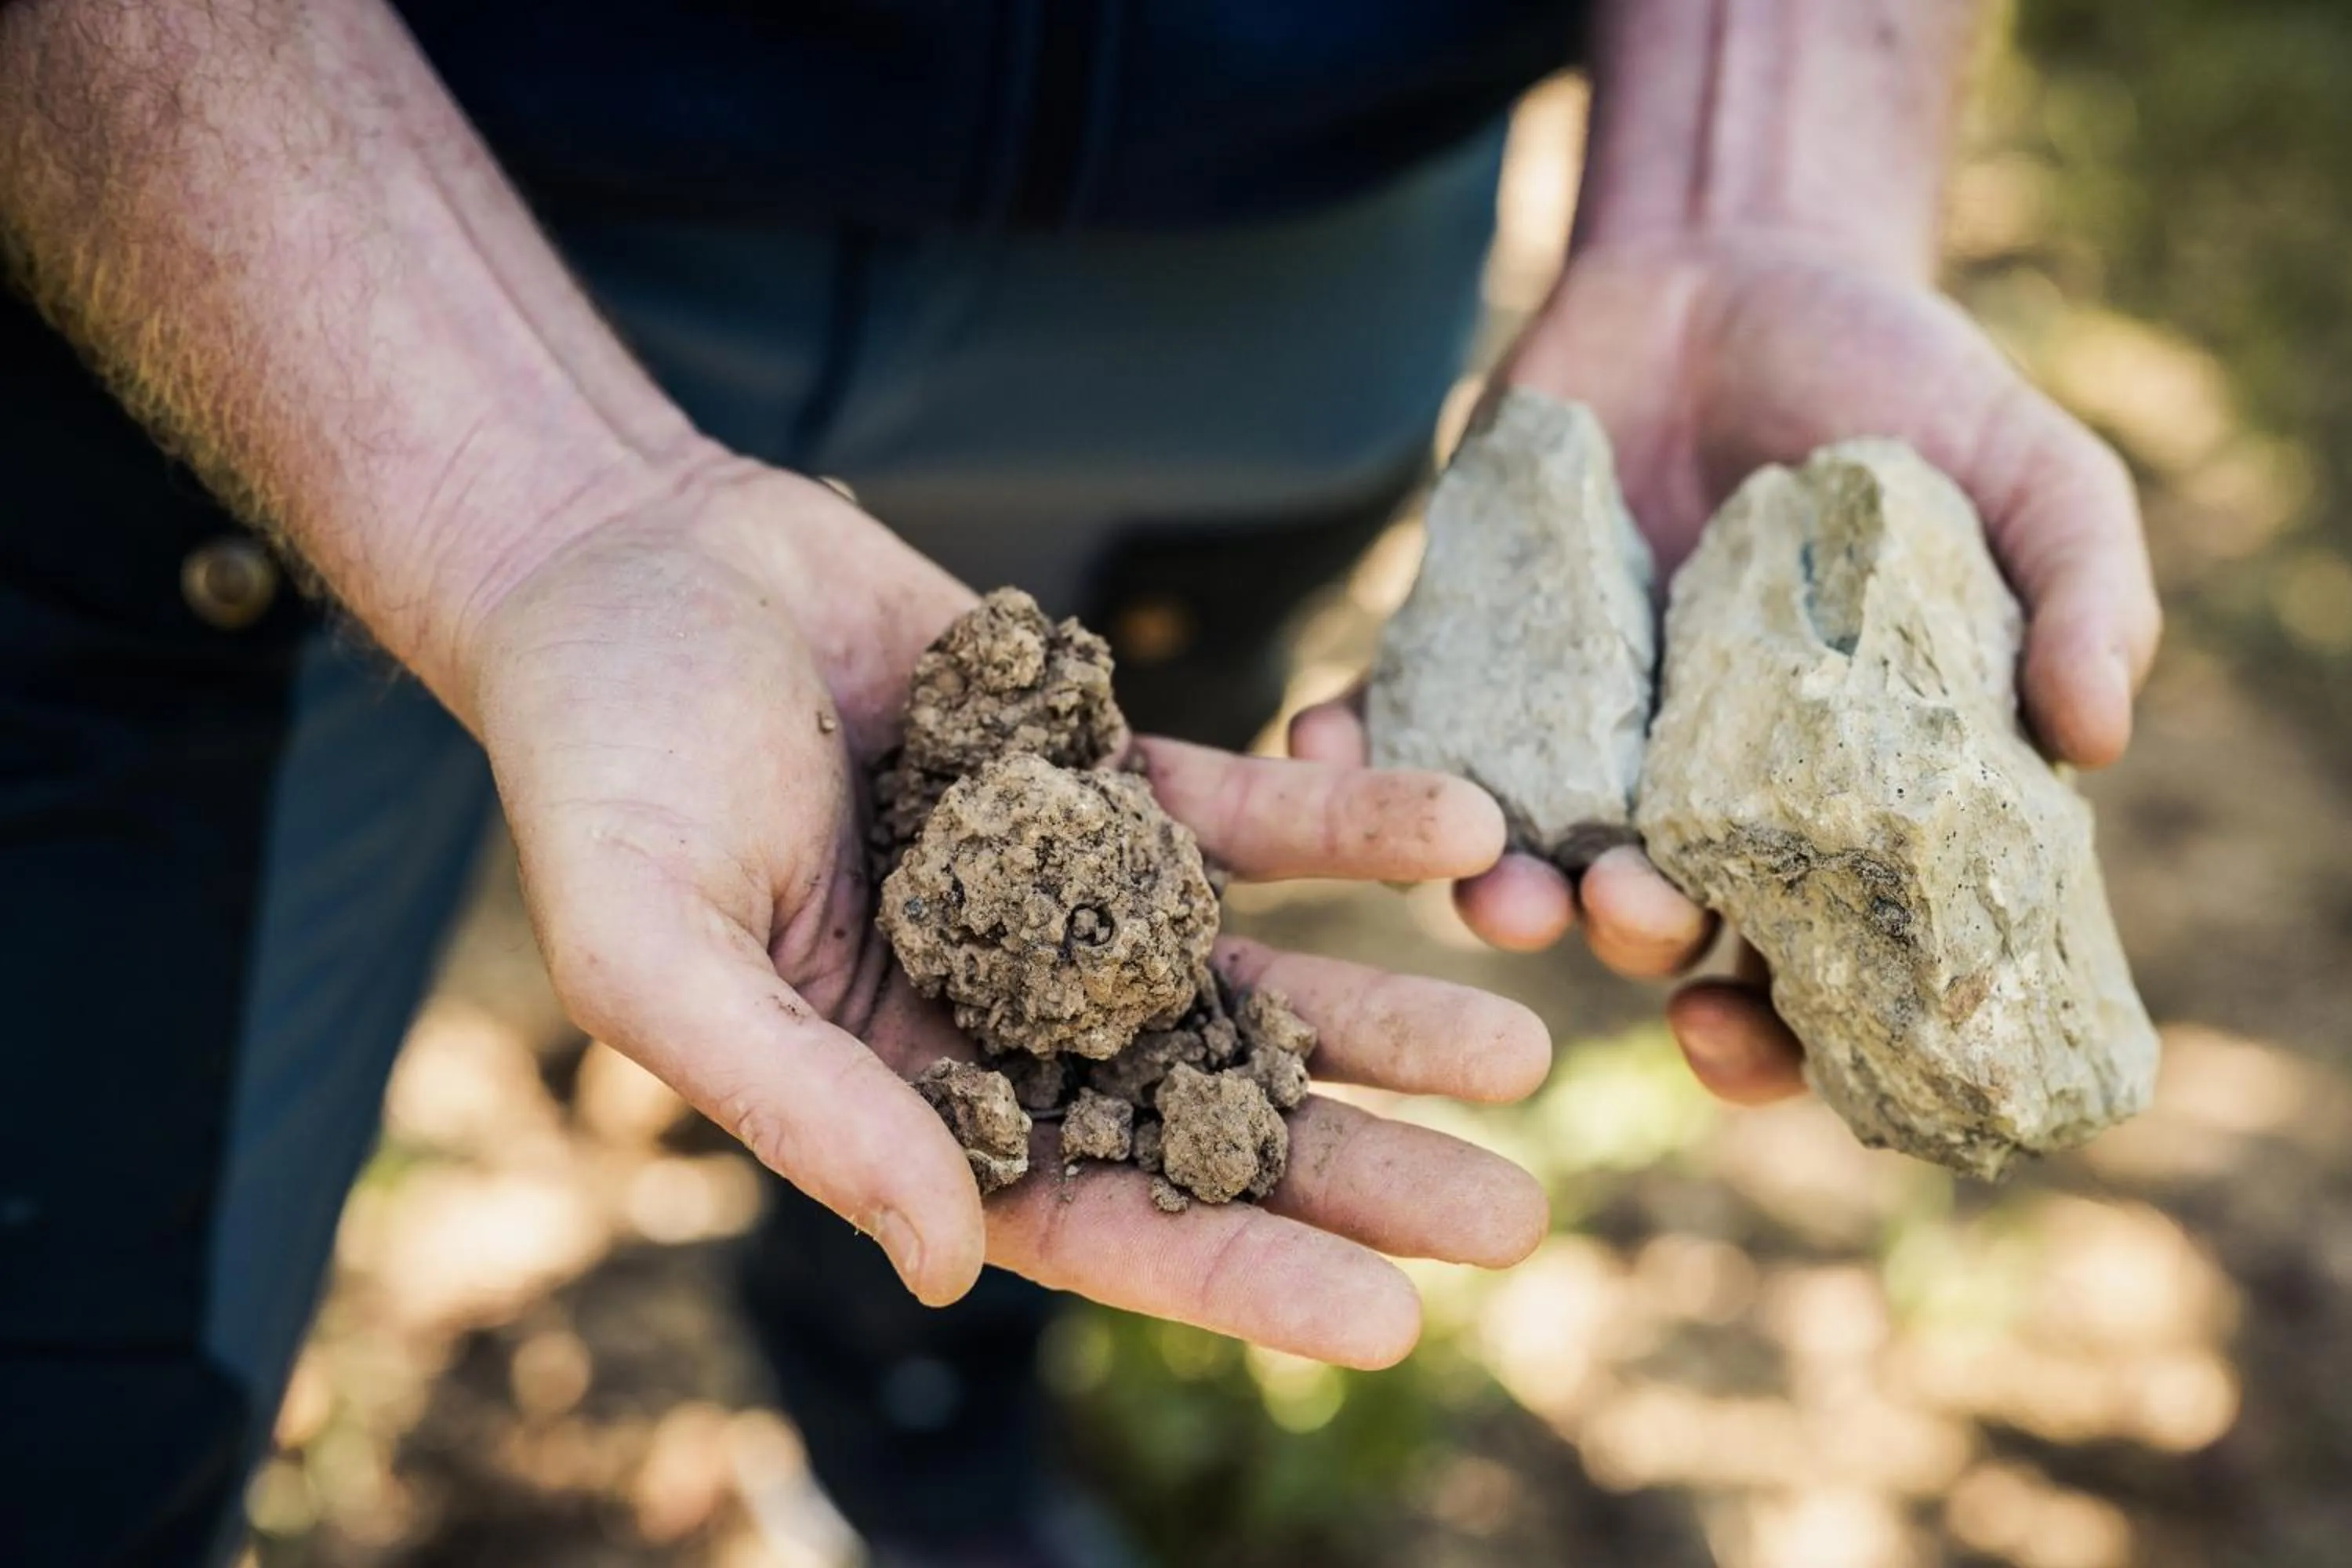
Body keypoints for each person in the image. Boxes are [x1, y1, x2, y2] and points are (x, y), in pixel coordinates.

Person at [0, 1, 2158, 1563]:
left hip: (1283, 251)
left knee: (990, 1166)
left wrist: (1751, 186)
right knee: (86, 1373)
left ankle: (908, 1457)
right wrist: (536, 505)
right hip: (323, 242)